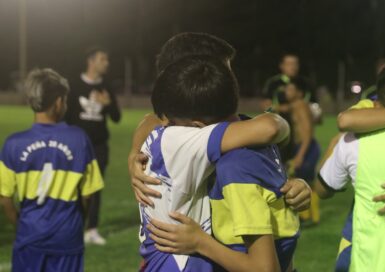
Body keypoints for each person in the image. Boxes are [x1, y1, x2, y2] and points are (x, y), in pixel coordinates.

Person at [136, 56, 295, 272]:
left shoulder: (231, 154)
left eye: (171, 121)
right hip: (179, 262)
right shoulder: (185, 141)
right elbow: (271, 127)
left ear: (198, 125)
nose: (166, 126)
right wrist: (202, 243)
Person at [129, 32, 311, 213]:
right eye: (224, 71)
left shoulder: (193, 127)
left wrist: (294, 186)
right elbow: (271, 128)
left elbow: (152, 120)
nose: (229, 80)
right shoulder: (196, 134)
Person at [0, 68, 104, 272]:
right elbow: (89, 194)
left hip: (29, 236)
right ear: (58, 102)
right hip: (67, 237)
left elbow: (5, 199)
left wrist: (21, 225)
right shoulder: (79, 139)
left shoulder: (13, 144)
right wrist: (78, 222)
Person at [315, 65, 385, 272]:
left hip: (366, 258)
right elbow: (346, 120)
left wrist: (335, 144)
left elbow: (321, 189)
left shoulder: (352, 142)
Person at [65, 47, 121, 245]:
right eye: (102, 59)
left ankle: (92, 229)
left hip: (98, 146)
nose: (106, 63)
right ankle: (72, 227)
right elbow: (66, 115)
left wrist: (108, 104)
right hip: (75, 146)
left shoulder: (106, 86)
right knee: (73, 186)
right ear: (91, 61)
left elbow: (116, 117)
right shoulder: (74, 85)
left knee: (95, 188)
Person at [284, 80, 321, 225]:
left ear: (299, 93)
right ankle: (307, 217)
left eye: (291, 90)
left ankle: (312, 217)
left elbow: (307, 132)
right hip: (304, 147)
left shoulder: (300, 106)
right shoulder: (297, 106)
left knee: (305, 183)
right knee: (300, 179)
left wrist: (300, 155)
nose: (287, 92)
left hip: (306, 147)